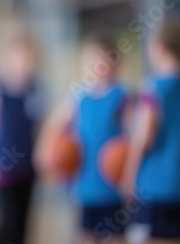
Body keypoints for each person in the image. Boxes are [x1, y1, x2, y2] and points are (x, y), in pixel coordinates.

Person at [35, 33, 130, 244]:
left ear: (114, 62)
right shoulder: (78, 95)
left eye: (101, 59)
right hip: (85, 186)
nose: (97, 65)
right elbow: (54, 126)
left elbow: (135, 135)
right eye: (91, 59)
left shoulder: (121, 95)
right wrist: (43, 154)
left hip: (113, 186)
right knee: (86, 236)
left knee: (116, 237)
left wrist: (131, 175)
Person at [0, 33, 44, 244]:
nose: (24, 63)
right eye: (20, 57)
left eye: (28, 58)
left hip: (28, 164)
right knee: (8, 219)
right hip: (2, 165)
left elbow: (39, 128)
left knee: (23, 222)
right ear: (9, 58)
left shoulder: (36, 90)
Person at [122, 21, 180, 244]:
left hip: (153, 189)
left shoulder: (153, 87)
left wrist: (127, 177)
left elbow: (143, 137)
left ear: (158, 47)